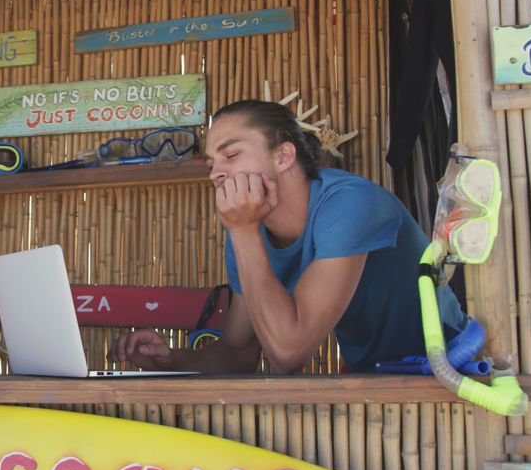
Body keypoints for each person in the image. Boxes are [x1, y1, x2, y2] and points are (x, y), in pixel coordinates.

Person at [109, 100, 466, 374]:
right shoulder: (247, 229)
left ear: (284, 155)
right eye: (211, 164)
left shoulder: (350, 203)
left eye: (231, 155)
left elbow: (288, 353)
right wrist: (171, 358)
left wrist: (244, 230)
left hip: (454, 373)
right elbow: (239, 353)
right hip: (375, 380)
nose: (216, 173)